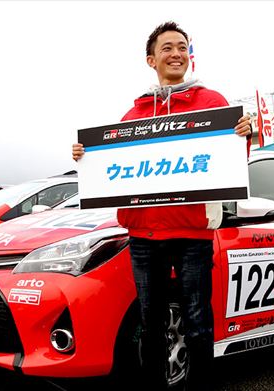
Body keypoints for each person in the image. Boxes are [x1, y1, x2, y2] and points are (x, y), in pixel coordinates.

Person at [72, 22, 252, 390]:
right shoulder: (133, 115)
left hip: (192, 235)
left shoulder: (213, 102)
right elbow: (109, 168)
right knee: (150, 324)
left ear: (190, 56)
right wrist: (85, 158)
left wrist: (242, 138)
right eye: (167, 48)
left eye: (182, 47)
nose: (176, 53)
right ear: (151, 59)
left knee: (199, 323)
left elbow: (230, 162)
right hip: (142, 235)